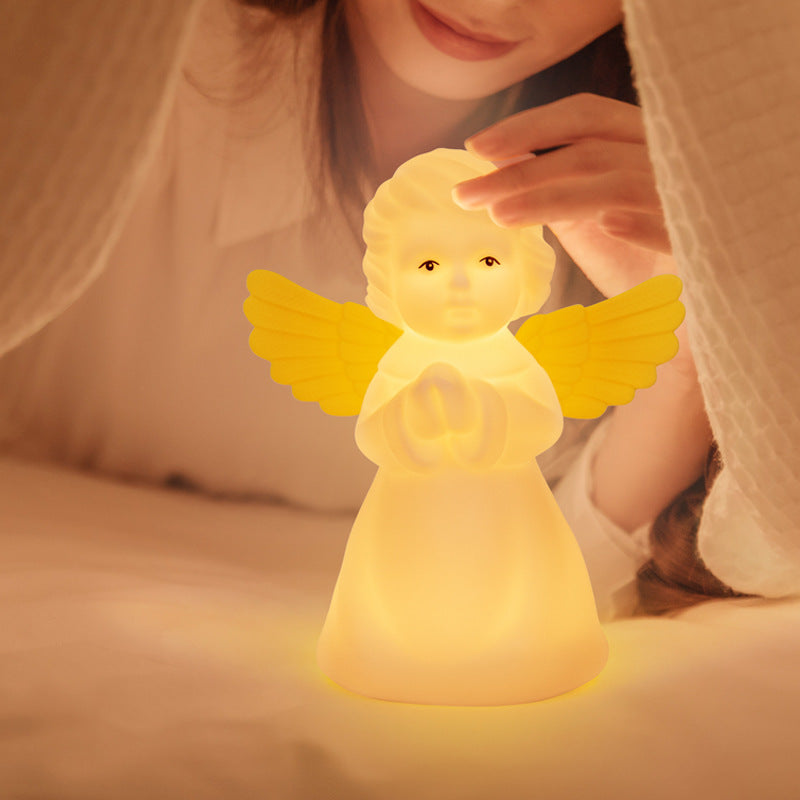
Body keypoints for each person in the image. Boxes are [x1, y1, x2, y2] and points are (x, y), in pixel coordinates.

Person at [0, 0, 788, 620]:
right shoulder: (123, 75)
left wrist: (696, 334)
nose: (492, 1)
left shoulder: (662, 186)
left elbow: (554, 579)